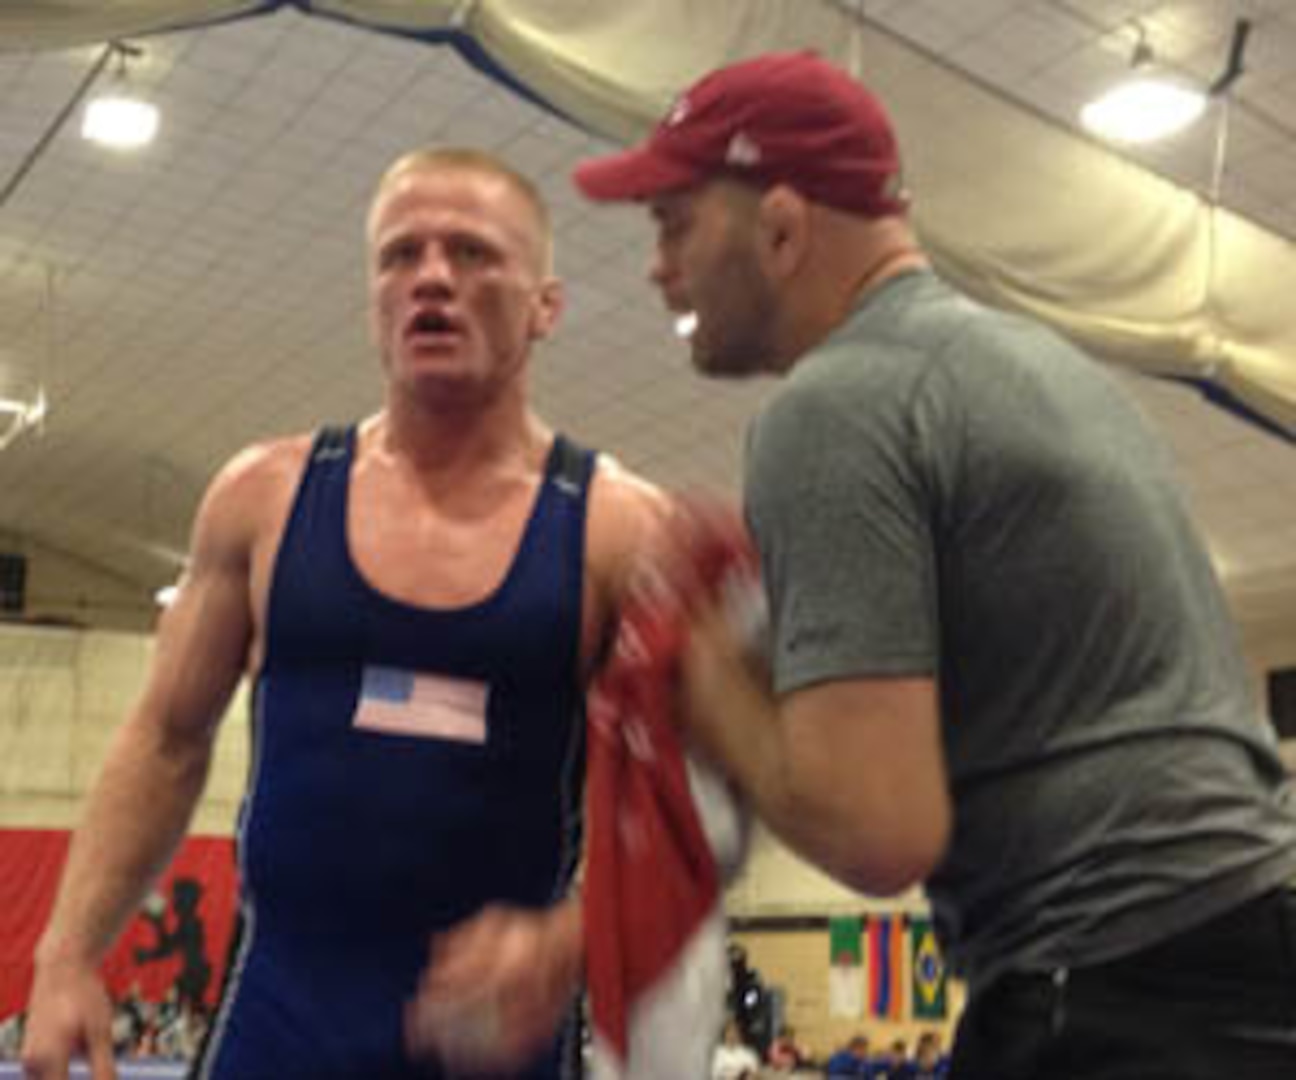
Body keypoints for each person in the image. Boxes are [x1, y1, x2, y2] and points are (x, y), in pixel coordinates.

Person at [573, 49, 1296, 1080]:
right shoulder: (1045, 368)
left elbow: (877, 833)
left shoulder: (835, 410)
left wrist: (692, 661)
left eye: (676, 223)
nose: (658, 264)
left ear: (780, 228)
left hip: (1109, 991)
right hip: (1243, 961)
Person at [22, 147, 665, 1080]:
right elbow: (165, 740)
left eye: (473, 254)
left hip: (494, 1047)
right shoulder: (265, 500)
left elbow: (692, 811)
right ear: (374, 297)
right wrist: (67, 953)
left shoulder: (615, 532)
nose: (431, 278)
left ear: (546, 307)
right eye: (401, 255)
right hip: (278, 1031)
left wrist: (573, 935)